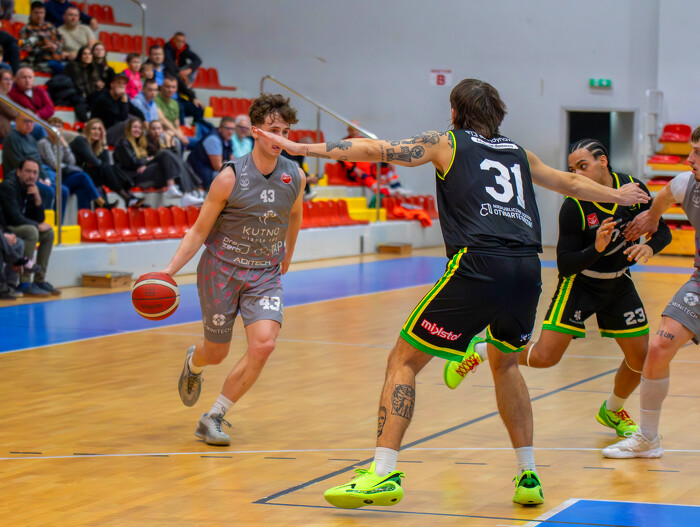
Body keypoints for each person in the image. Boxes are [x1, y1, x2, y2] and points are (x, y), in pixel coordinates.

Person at [252, 78, 649, 508]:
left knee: (403, 360)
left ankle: (382, 473)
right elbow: (570, 184)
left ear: (455, 111)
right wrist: (617, 194)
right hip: (527, 267)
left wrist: (301, 148)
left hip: (479, 263)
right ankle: (528, 474)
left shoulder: (447, 142)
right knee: (506, 364)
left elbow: (377, 149)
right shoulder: (519, 152)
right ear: (497, 115)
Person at [443, 138, 672, 440]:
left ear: (603, 161)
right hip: (580, 284)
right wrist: (597, 248)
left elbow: (662, 230)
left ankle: (613, 410)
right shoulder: (574, 206)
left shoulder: (632, 189)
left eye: (583, 166)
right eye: (572, 169)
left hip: (619, 283)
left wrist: (650, 248)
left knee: (640, 360)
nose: (577, 174)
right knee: (544, 358)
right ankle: (484, 349)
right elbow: (565, 264)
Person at [168, 93, 305, 447]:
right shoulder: (229, 177)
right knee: (216, 353)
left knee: (264, 344)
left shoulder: (295, 175)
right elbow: (198, 231)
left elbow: (294, 215)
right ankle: (195, 363)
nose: (280, 138)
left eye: (285, 132)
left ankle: (213, 416)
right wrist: (168, 272)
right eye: (273, 130)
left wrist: (288, 253)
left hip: (265, 274)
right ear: (256, 131)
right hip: (221, 270)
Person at [602, 126, 700, 459]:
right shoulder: (688, 183)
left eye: (698, 152)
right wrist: (653, 217)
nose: (690, 159)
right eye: (691, 150)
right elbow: (667, 193)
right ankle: (647, 438)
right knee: (658, 348)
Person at [0, 157, 60, 296]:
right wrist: (37, 226)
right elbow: (14, 217)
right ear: (19, 172)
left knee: (49, 234)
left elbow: (39, 218)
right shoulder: (8, 186)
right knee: (32, 231)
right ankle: (25, 282)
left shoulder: (31, 187)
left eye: (35, 172)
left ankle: (39, 280)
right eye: (27, 171)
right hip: (6, 228)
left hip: (18, 226)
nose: (31, 176)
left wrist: (37, 198)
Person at [37, 117, 109, 211]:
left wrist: (65, 146)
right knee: (83, 176)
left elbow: (72, 161)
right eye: (54, 126)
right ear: (47, 129)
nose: (56, 129)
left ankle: (84, 218)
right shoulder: (44, 143)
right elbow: (54, 164)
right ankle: (100, 201)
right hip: (53, 178)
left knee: (82, 190)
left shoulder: (61, 143)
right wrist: (66, 164)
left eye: (59, 127)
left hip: (62, 175)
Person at [70, 117, 144, 208]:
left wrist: (104, 141)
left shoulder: (95, 145)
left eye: (99, 129)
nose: (97, 132)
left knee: (109, 169)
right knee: (107, 168)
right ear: (88, 130)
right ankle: (127, 197)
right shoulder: (80, 141)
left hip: (85, 174)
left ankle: (129, 198)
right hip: (74, 175)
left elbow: (106, 164)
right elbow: (97, 163)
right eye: (94, 129)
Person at [113, 117, 189, 200]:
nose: (137, 130)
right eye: (134, 127)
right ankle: (176, 189)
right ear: (128, 128)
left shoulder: (140, 142)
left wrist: (170, 144)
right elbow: (133, 162)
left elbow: (173, 158)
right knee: (164, 154)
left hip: (145, 174)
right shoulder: (124, 142)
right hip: (134, 177)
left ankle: (187, 194)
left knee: (179, 163)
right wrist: (148, 161)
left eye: (140, 128)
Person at [146, 119, 203, 207]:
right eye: (153, 129)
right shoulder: (145, 141)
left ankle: (191, 193)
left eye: (158, 128)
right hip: (151, 172)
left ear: (162, 130)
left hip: (164, 171)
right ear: (149, 130)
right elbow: (164, 156)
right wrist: (168, 143)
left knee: (182, 163)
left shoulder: (160, 141)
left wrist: (171, 141)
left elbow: (174, 157)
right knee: (168, 155)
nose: (156, 131)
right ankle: (192, 192)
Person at [90, 72, 144, 144]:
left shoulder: (122, 97)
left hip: (115, 131)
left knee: (136, 120)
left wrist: (144, 121)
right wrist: (124, 100)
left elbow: (135, 110)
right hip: (102, 133)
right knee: (129, 123)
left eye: (124, 84)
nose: (121, 86)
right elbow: (122, 117)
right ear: (112, 84)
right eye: (119, 83)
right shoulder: (104, 98)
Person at [186, 116, 234, 189]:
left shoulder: (228, 140)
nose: (230, 132)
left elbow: (231, 161)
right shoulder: (213, 140)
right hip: (198, 173)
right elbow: (218, 167)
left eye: (232, 129)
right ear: (220, 128)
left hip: (210, 171)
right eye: (228, 128)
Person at [19, 2, 66, 74]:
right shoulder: (26, 29)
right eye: (36, 13)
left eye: (41, 13)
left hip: (58, 57)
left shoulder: (50, 26)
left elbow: (62, 39)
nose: (39, 15)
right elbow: (25, 48)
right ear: (31, 13)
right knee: (60, 68)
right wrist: (43, 48)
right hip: (40, 60)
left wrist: (56, 46)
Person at [62, 45, 99, 121]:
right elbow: (78, 85)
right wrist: (88, 94)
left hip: (84, 94)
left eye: (90, 54)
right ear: (80, 56)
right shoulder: (73, 66)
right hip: (71, 94)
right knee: (80, 100)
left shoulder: (91, 68)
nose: (87, 56)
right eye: (85, 54)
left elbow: (91, 86)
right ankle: (86, 122)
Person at [154, 74, 189, 149]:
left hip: (173, 132)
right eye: (168, 87)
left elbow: (177, 125)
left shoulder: (175, 103)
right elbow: (162, 120)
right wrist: (179, 136)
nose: (170, 90)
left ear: (176, 89)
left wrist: (182, 137)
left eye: (173, 87)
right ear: (162, 87)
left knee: (195, 142)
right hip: (161, 131)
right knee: (177, 141)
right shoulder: (156, 99)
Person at [0, 68, 18, 143]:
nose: (9, 82)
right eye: (6, 79)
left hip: (7, 128)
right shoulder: (1, 96)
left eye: (11, 80)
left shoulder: (6, 96)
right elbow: (14, 114)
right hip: (3, 132)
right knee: (38, 128)